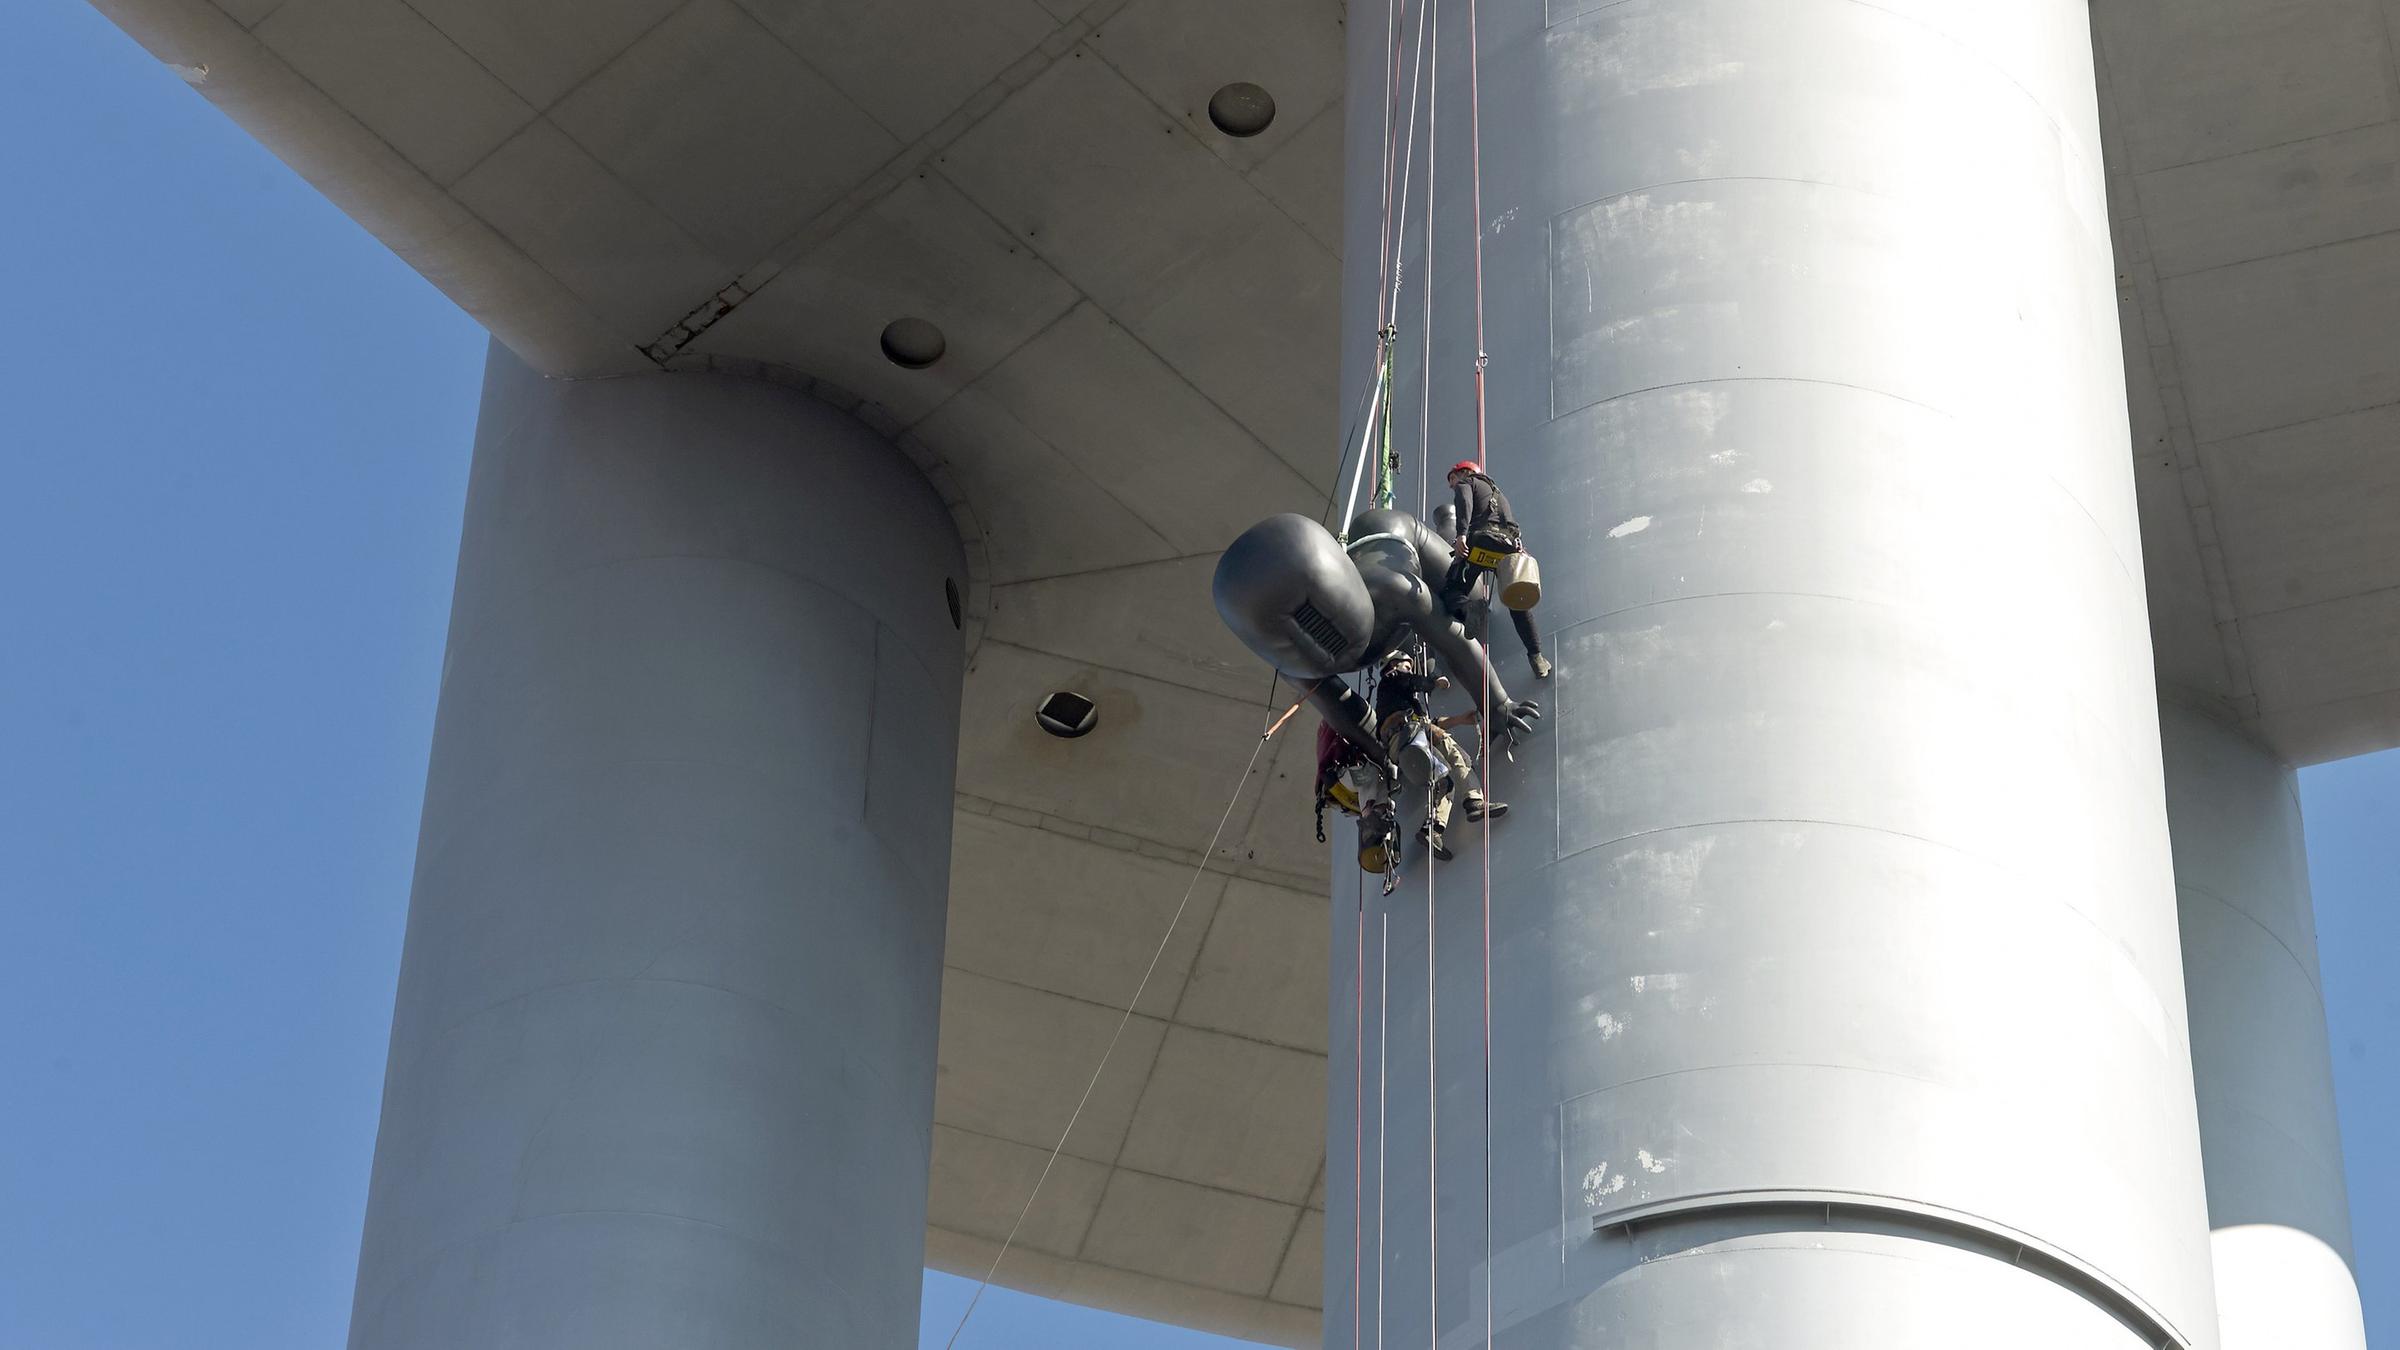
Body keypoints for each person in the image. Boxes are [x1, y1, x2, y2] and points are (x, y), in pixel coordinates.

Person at [1373, 649, 1505, 861]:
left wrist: (1460, 719)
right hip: (1408, 734)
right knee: (1455, 755)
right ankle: (1474, 801)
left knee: (1445, 783)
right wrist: (1433, 681)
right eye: (1405, 666)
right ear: (1392, 666)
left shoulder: (1399, 700)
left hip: (1406, 738)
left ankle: (1431, 831)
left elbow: (1428, 723)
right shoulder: (1392, 680)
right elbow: (1414, 683)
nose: (1407, 669)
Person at [1442, 462, 1550, 679]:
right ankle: (1536, 656)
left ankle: (1470, 609)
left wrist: (1462, 534)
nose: (1452, 485)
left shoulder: (1467, 483)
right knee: (1517, 601)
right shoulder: (1498, 494)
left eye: (1452, 478)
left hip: (1480, 542)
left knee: (1451, 589)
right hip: (1507, 549)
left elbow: (1464, 504)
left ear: (1465, 472)